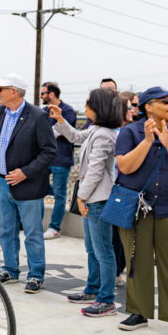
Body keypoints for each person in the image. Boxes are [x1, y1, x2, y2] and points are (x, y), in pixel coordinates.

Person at [115, 86, 168, 335]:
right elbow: (125, 167)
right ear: (148, 107)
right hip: (137, 208)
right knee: (137, 260)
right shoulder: (130, 132)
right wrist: (148, 141)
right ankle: (139, 311)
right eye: (166, 101)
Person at [50, 89, 125, 317]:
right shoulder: (97, 130)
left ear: (99, 107)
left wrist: (81, 197)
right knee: (93, 249)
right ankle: (93, 290)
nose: (85, 106)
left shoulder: (104, 134)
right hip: (93, 197)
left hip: (97, 198)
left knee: (103, 251)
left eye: (88, 103)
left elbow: (95, 171)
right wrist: (61, 121)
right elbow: (76, 137)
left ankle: (106, 299)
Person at [0, 73, 57, 293]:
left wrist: (25, 173)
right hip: (2, 182)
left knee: (32, 232)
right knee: (6, 231)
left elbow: (49, 151)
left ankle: (36, 275)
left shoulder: (37, 116)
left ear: (14, 92)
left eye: (1, 89)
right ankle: (10, 269)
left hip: (27, 185)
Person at [40, 81, 77, 240]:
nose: (41, 96)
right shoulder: (43, 111)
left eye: (43, 93)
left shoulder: (67, 111)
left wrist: (43, 132)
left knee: (60, 194)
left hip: (61, 159)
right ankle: (35, 223)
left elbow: (56, 132)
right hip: (44, 158)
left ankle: (54, 228)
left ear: (51, 94)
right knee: (39, 190)